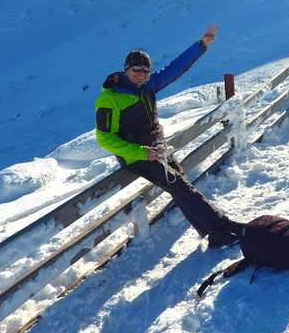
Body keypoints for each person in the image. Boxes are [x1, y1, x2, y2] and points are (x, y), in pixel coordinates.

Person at [95, 24, 241, 247]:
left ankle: (213, 231)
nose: (142, 74)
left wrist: (201, 45)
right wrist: (144, 153)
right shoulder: (110, 99)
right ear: (126, 69)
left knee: (181, 184)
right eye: (137, 69)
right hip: (136, 156)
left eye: (146, 70)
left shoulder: (148, 86)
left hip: (157, 148)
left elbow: (175, 67)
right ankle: (220, 225)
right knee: (179, 185)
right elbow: (105, 139)